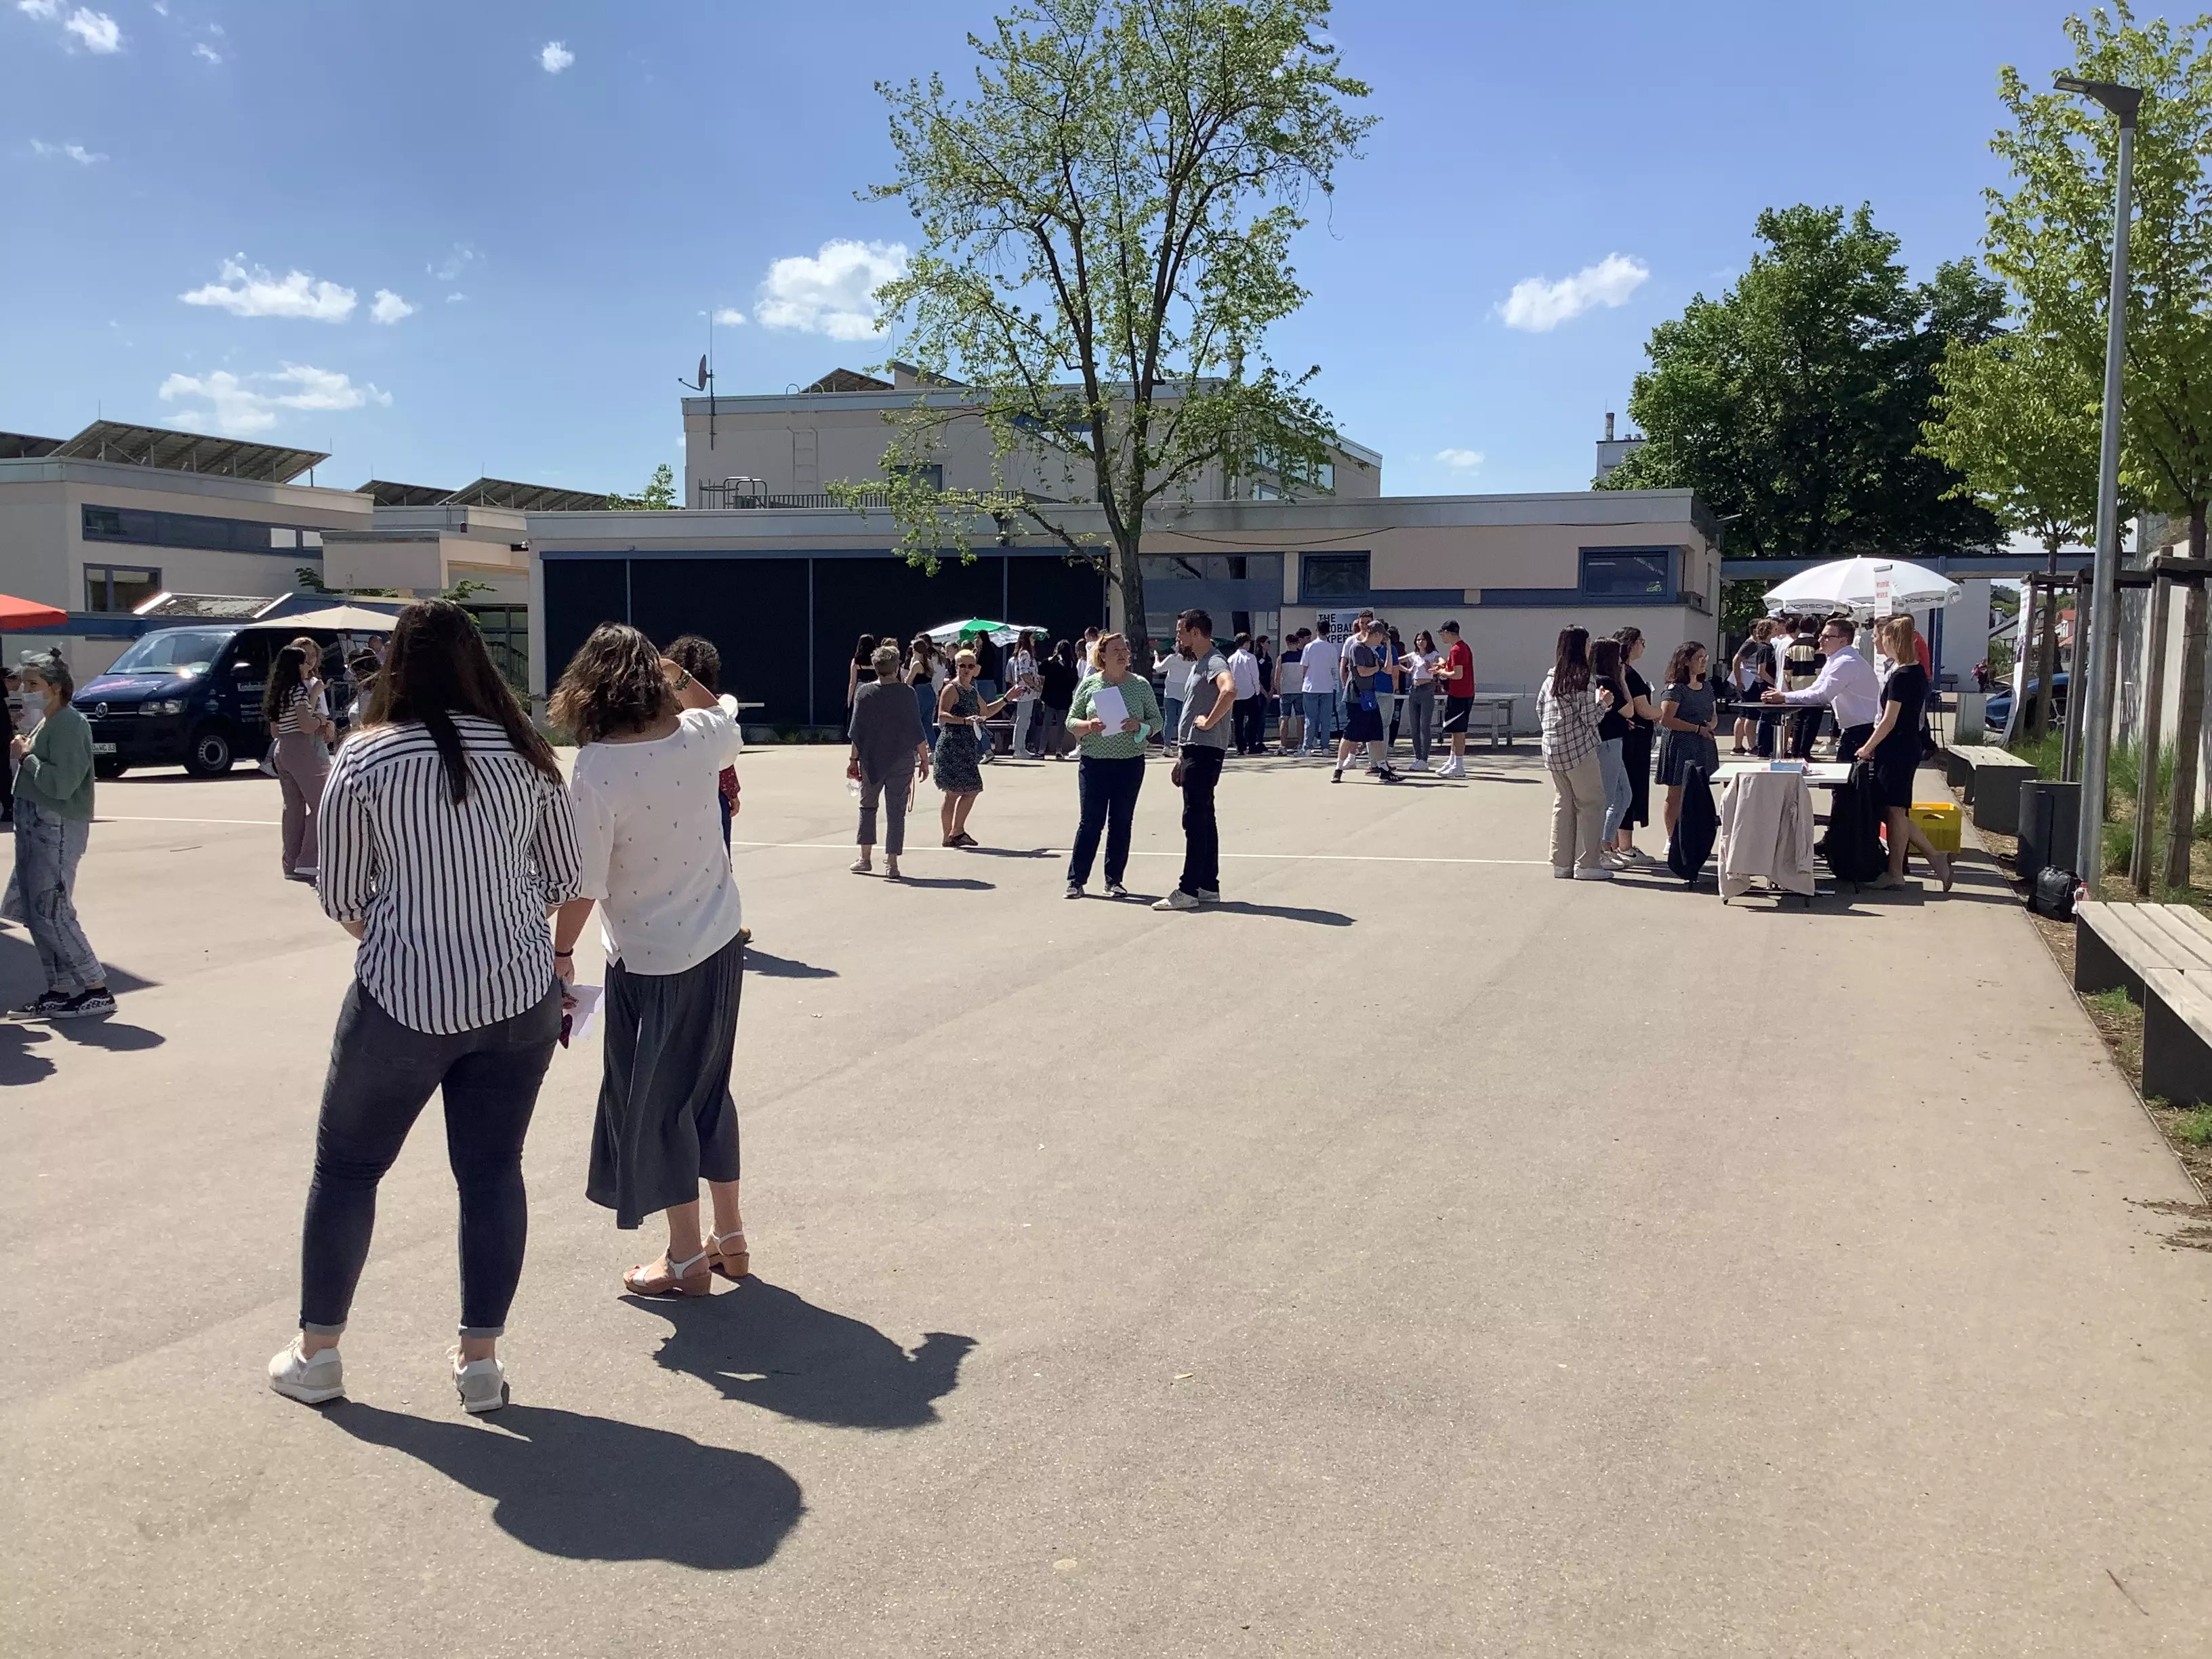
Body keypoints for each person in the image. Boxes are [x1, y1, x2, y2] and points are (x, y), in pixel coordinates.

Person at [267, 600, 580, 1414]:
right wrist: (497, 916)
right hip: (518, 993)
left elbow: (337, 891)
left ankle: (319, 1353)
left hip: (402, 996)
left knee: (347, 1169)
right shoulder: (529, 754)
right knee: (490, 1173)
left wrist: (406, 923)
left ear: (396, 664)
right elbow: (564, 878)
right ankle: (480, 1363)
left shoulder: (365, 758)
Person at [550, 623, 750, 1302]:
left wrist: (560, 951)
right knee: (708, 1089)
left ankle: (687, 1259)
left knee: (659, 1105)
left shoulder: (598, 770)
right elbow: (719, 705)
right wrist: (676, 674)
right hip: (720, 942)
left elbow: (585, 883)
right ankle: (731, 1236)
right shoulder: (697, 738)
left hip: (649, 959)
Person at [7, 651, 113, 1019]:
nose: (25, 691)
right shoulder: (46, 722)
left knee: (51, 911)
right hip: (36, 828)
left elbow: (62, 783)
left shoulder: (68, 723)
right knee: (35, 912)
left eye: (33, 684)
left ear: (54, 688)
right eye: (23, 684)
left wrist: (26, 757)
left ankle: (95, 987)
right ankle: (60, 987)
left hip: (56, 827)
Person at [1064, 632, 1162, 899]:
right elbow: (1071, 721)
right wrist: (1088, 726)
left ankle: (1114, 880)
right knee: (1090, 822)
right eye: (1116, 650)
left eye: (1125, 650)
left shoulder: (1140, 685)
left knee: (1121, 822)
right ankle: (1076, 880)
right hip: (1094, 763)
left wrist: (1140, 726)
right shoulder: (1090, 685)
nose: (1122, 654)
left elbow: (1158, 721)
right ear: (1102, 656)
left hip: (1130, 763)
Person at [1862, 615, 1953, 891]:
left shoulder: (1903, 675)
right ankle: (1931, 857)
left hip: (1897, 747)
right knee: (1894, 809)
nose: (1877, 641)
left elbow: (1890, 719)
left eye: (1881, 637)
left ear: (1892, 640)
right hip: (1903, 745)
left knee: (1895, 810)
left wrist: (1868, 747)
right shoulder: (1911, 672)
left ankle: (1898, 871)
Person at [1155, 609, 1235, 912]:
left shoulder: (1214, 661)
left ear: (1196, 632)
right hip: (1195, 749)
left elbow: (1229, 691)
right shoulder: (1199, 663)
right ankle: (1207, 886)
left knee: (1195, 819)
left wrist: (1209, 721)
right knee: (1205, 818)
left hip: (1204, 749)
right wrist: (1181, 755)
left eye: (1181, 631)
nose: (1177, 637)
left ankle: (1187, 889)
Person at [846, 642, 930, 879]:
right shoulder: (907, 693)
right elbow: (917, 728)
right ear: (896, 668)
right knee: (896, 811)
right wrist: (924, 760)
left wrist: (853, 760)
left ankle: (865, 858)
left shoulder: (864, 693)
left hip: (872, 759)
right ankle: (892, 863)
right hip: (901, 759)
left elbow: (857, 731)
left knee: (868, 806)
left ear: (875, 667)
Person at [262, 638, 336, 883]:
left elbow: (275, 731)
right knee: (322, 805)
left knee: (293, 808)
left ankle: (291, 862)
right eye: (304, 661)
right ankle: (308, 860)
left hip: (283, 750)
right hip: (303, 750)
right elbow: (307, 725)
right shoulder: (297, 691)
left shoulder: (278, 693)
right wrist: (319, 720)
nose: (308, 665)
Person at [1761, 614, 1882, 762]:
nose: (1820, 640)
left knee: (1851, 782)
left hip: (1862, 731)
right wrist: (1784, 696)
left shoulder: (1846, 662)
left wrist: (1785, 697)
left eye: (1826, 637)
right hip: (1855, 730)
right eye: (1821, 635)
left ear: (1843, 641)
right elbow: (1814, 688)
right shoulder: (1835, 660)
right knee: (1844, 780)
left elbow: (1822, 695)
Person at [1538, 628, 1609, 880]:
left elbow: (1540, 709)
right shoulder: (1584, 678)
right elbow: (1591, 719)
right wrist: (1604, 703)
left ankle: (1561, 863)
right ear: (1581, 646)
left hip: (1553, 749)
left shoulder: (1551, 678)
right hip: (1579, 749)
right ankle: (1588, 864)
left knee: (1563, 803)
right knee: (1592, 803)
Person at [934, 649, 1020, 847]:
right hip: (951, 746)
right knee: (953, 793)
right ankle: (949, 836)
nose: (965, 670)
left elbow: (986, 711)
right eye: (961, 666)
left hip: (967, 747)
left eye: (970, 666)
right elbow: (942, 716)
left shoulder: (972, 690)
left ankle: (957, 832)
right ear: (956, 667)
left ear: (976, 669)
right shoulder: (952, 689)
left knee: (971, 789)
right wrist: (965, 721)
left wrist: (1007, 699)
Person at [665, 634, 743, 851]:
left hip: (670, 793)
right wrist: (732, 792)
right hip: (711, 793)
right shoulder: (719, 707)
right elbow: (725, 758)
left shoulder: (663, 711)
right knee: (719, 859)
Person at [1656, 641, 1721, 844]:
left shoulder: (1707, 686)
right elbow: (1666, 719)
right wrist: (1697, 729)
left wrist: (1710, 725)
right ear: (1686, 662)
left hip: (1703, 744)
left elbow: (1714, 715)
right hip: (1681, 745)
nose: (1703, 662)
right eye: (1699, 658)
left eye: (1705, 658)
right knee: (1676, 793)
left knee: (1700, 793)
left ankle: (1695, 838)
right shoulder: (1676, 689)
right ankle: (1672, 839)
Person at [1611, 626, 1660, 864]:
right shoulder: (1628, 673)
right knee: (1628, 792)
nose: (1644, 646)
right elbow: (1643, 710)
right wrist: (1662, 712)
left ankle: (1615, 844)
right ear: (1630, 644)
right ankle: (1625, 847)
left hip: (1629, 741)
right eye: (1641, 641)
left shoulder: (1620, 671)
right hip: (1634, 742)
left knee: (1620, 792)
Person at [1332, 620, 1403, 784]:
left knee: (1377, 733)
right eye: (1382, 637)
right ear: (1376, 634)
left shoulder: (1374, 652)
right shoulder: (1357, 648)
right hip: (1356, 698)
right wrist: (1377, 668)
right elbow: (1362, 672)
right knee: (1351, 735)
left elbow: (1387, 669)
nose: (1382, 641)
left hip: (1369, 698)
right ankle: (1338, 769)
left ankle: (1383, 770)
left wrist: (1389, 649)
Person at [1433, 620, 1474, 779]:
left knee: (1459, 731)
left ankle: (1459, 765)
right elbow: (1453, 669)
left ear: (1449, 633)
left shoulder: (1458, 650)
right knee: (1454, 730)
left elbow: (1458, 675)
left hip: (1461, 695)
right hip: (1459, 694)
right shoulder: (1459, 649)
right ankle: (1452, 761)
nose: (1441, 636)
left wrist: (1441, 674)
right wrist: (1441, 668)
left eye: (1442, 633)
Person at [1780, 615, 1824, 758]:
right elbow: (1820, 668)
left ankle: (1795, 752)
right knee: (1811, 722)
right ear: (1816, 628)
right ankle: (1805, 752)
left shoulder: (1792, 645)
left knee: (1798, 720)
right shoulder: (1816, 645)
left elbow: (1787, 669)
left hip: (1796, 686)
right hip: (1813, 687)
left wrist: (1790, 685)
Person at [1396, 630, 1441, 771]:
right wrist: (1407, 670)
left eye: (1423, 639)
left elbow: (1441, 664)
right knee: (1414, 726)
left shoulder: (1433, 655)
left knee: (1424, 726)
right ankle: (1417, 757)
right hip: (1414, 690)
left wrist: (1432, 668)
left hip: (1427, 689)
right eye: (1418, 640)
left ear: (1428, 641)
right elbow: (1397, 661)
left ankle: (1424, 759)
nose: (1420, 642)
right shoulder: (1413, 655)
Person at [1299, 624, 1340, 755]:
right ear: (1328, 632)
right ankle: (1325, 747)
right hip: (1327, 687)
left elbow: (1305, 667)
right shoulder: (1332, 649)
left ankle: (1307, 748)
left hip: (1311, 687)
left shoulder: (1309, 647)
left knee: (1310, 719)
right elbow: (1335, 669)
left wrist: (1305, 679)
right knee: (1326, 719)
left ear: (1317, 631)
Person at [1039, 639, 1081, 760]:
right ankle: (1058, 750)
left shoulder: (1053, 663)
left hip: (1050, 698)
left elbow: (1041, 670)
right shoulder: (1072, 665)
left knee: (1046, 725)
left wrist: (1048, 660)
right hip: (1064, 699)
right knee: (1061, 726)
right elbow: (1074, 680)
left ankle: (1042, 750)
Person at [1227, 632, 1265, 755]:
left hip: (1237, 693)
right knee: (1254, 719)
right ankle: (1252, 745)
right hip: (1250, 692)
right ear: (1245, 643)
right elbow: (1255, 676)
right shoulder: (1250, 658)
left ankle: (1240, 747)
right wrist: (1257, 690)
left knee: (1238, 721)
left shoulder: (1231, 659)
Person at [1006, 631, 1043, 758]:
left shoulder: (1025, 654)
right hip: (1025, 692)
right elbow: (1024, 674)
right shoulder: (1025, 654)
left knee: (1025, 720)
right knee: (1022, 721)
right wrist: (1035, 686)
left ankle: (1022, 747)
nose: (1034, 640)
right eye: (1032, 637)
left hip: (1028, 693)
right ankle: (1018, 749)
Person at [907, 634, 945, 750]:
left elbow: (908, 681)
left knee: (914, 723)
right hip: (930, 692)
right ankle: (934, 749)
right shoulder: (929, 662)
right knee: (927, 724)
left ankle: (914, 750)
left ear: (915, 650)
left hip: (920, 693)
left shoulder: (916, 664)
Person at [1275, 630, 1307, 753]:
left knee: (1284, 718)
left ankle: (1283, 746)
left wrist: (1278, 690)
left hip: (1286, 691)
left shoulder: (1282, 658)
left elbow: (1277, 676)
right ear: (1297, 643)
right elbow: (1305, 673)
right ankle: (1300, 744)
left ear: (1287, 643)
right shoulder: (1302, 656)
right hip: (1300, 690)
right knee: (1300, 718)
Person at [844, 632, 878, 712]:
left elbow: (852, 682)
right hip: (874, 687)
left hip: (860, 688)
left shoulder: (856, 661)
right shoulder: (876, 660)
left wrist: (849, 700)